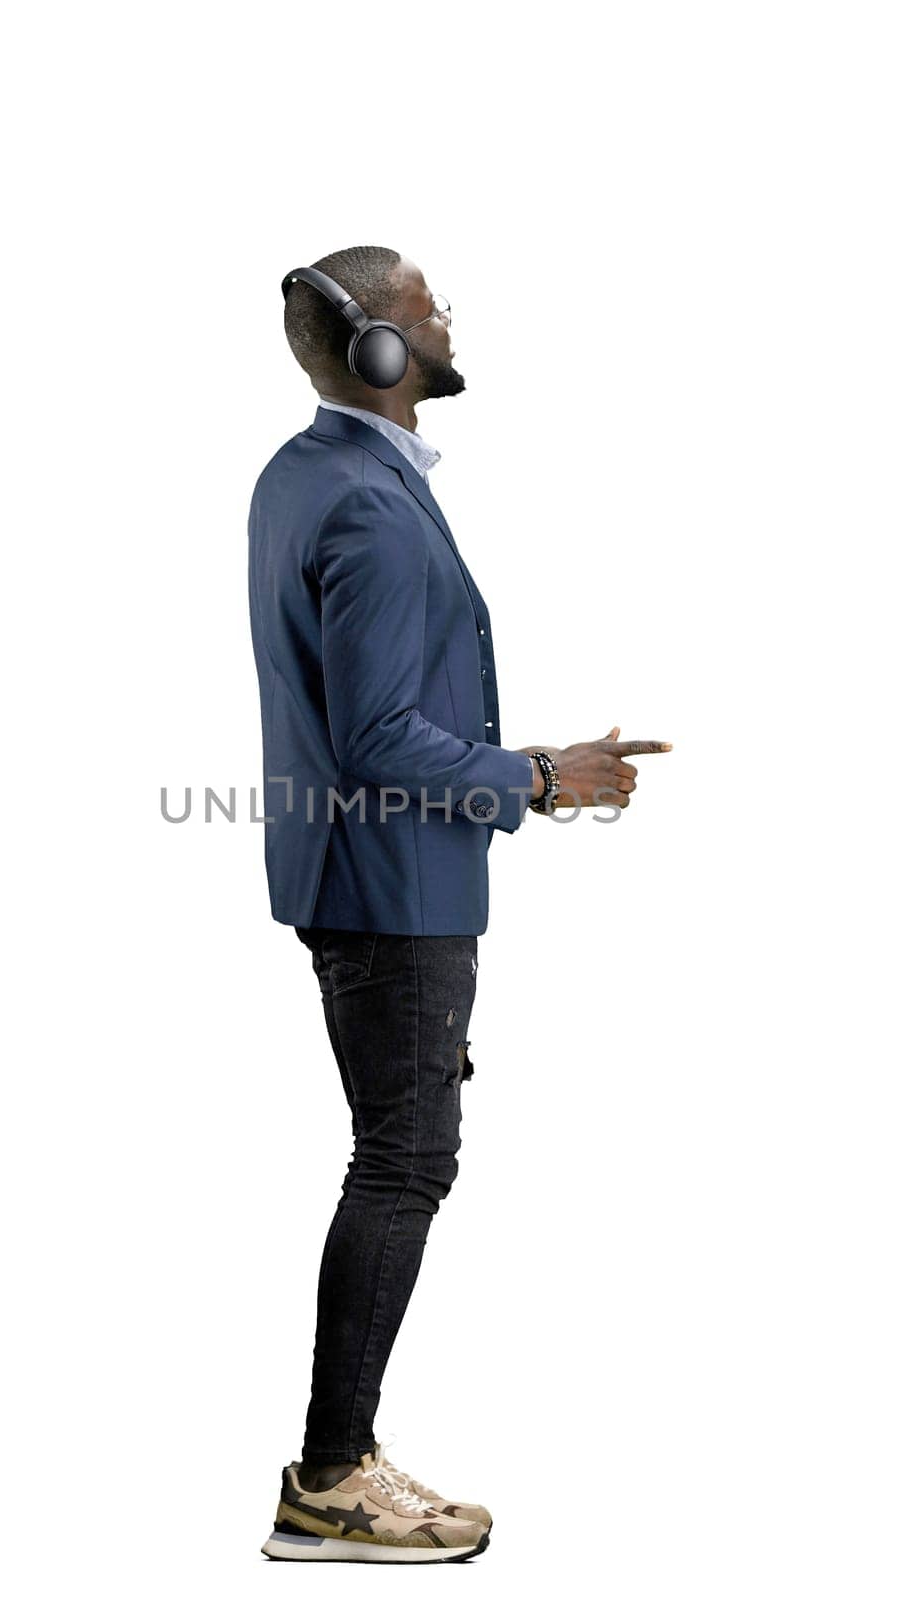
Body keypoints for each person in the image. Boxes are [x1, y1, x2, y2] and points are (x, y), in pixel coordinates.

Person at [247, 245, 671, 1563]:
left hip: (365, 881)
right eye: (431, 310)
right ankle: (330, 1480)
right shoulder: (368, 506)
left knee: (400, 1149)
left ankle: (336, 1466)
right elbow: (377, 736)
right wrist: (543, 775)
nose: (448, 324)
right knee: (406, 1160)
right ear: (381, 347)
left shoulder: (304, 473)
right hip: (391, 890)